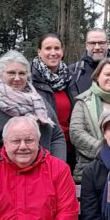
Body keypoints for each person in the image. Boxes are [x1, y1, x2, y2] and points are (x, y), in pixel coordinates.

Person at [0, 50, 66, 165]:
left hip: (45, 176)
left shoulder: (38, 102)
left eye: (22, 73)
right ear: (0, 74)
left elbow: (57, 136)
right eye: (11, 73)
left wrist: (58, 167)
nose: (17, 78)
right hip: (6, 179)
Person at [31, 33, 77, 165]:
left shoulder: (71, 78)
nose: (53, 53)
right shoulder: (30, 80)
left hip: (69, 148)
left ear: (62, 51)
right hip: (43, 149)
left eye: (57, 48)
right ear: (39, 52)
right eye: (48, 48)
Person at [69, 28, 110, 94]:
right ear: (86, 45)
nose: (97, 47)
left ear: (107, 44)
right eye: (92, 43)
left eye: (101, 43)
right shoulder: (72, 71)